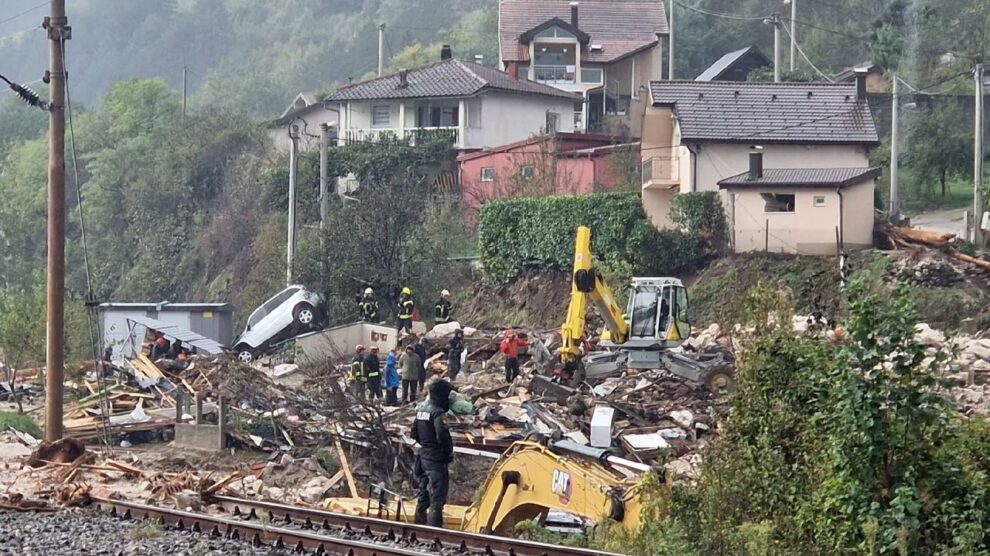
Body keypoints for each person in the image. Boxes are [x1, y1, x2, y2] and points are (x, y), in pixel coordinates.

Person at [411, 379, 455, 527]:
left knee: (423, 493)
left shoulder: (421, 410)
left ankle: (419, 525)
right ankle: (434, 530)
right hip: (436, 459)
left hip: (423, 457)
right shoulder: (438, 412)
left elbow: (414, 433)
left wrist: (425, 445)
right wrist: (448, 452)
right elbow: (442, 434)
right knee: (437, 496)